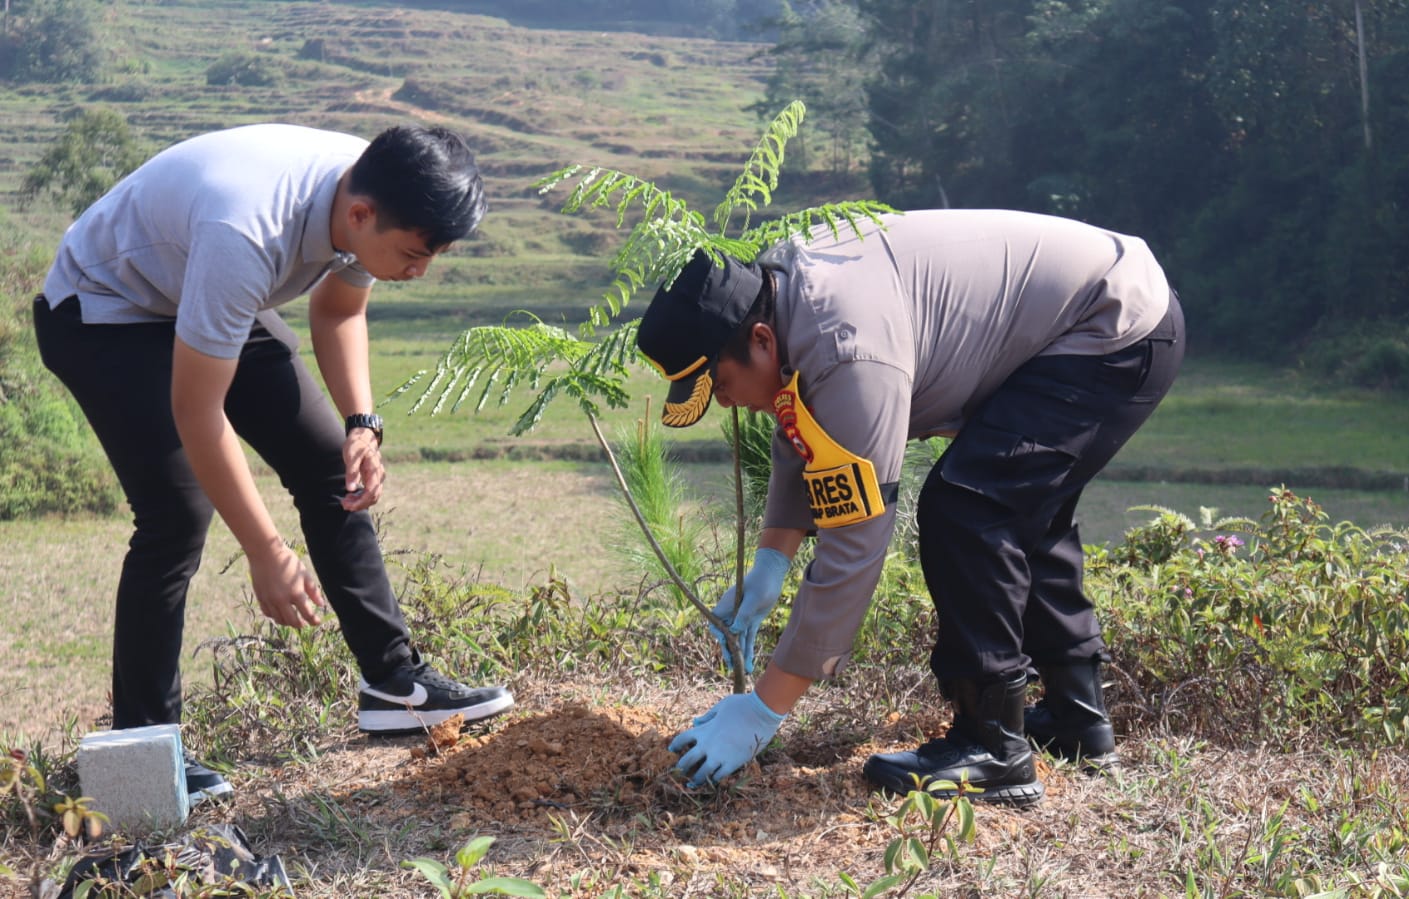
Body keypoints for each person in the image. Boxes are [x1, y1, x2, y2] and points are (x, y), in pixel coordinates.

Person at [32, 122, 515, 803]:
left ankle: (394, 683)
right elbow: (199, 412)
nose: (418, 270)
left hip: (191, 291)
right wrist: (266, 550)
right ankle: (138, 751)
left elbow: (340, 310)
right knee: (175, 513)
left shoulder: (372, 186)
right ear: (359, 216)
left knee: (328, 460)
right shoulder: (249, 233)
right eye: (413, 254)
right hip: (102, 308)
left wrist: (362, 424)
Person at [635, 209, 1184, 806]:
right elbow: (805, 420)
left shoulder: (848, 349)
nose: (727, 404)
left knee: (969, 507)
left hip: (1111, 322)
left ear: (761, 341)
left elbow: (856, 542)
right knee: (1023, 506)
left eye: (719, 385)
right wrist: (771, 562)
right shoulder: (779, 293)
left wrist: (764, 708)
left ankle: (994, 746)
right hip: (1099, 303)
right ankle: (1079, 721)